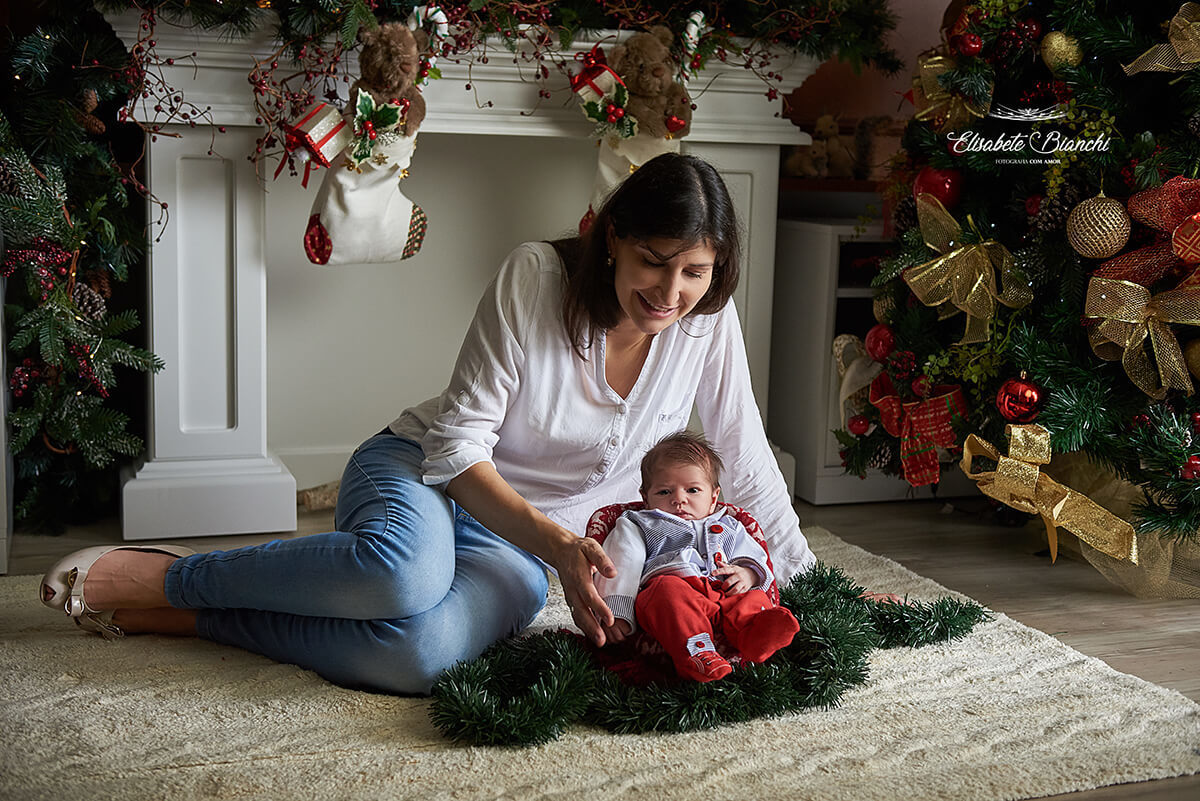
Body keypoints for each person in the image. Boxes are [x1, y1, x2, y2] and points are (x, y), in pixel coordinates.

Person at [38, 152, 819, 695]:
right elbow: (455, 446)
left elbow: (744, 461)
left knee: (421, 654)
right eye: (654, 259)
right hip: (428, 473)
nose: (670, 291)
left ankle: (198, 618)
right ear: (612, 235)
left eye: (696, 271)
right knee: (401, 575)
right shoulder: (536, 277)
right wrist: (557, 544)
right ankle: (170, 573)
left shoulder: (705, 322)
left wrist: (814, 587)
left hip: (529, 543)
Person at [594, 431, 800, 682]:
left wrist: (746, 573)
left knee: (752, 598)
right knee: (666, 594)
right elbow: (621, 563)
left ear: (713, 498)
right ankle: (697, 655)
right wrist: (617, 612)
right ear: (645, 498)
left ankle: (755, 636)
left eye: (692, 490)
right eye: (664, 492)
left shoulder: (730, 525)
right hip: (675, 591)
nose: (679, 499)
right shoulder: (639, 523)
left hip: (722, 593)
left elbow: (755, 555)